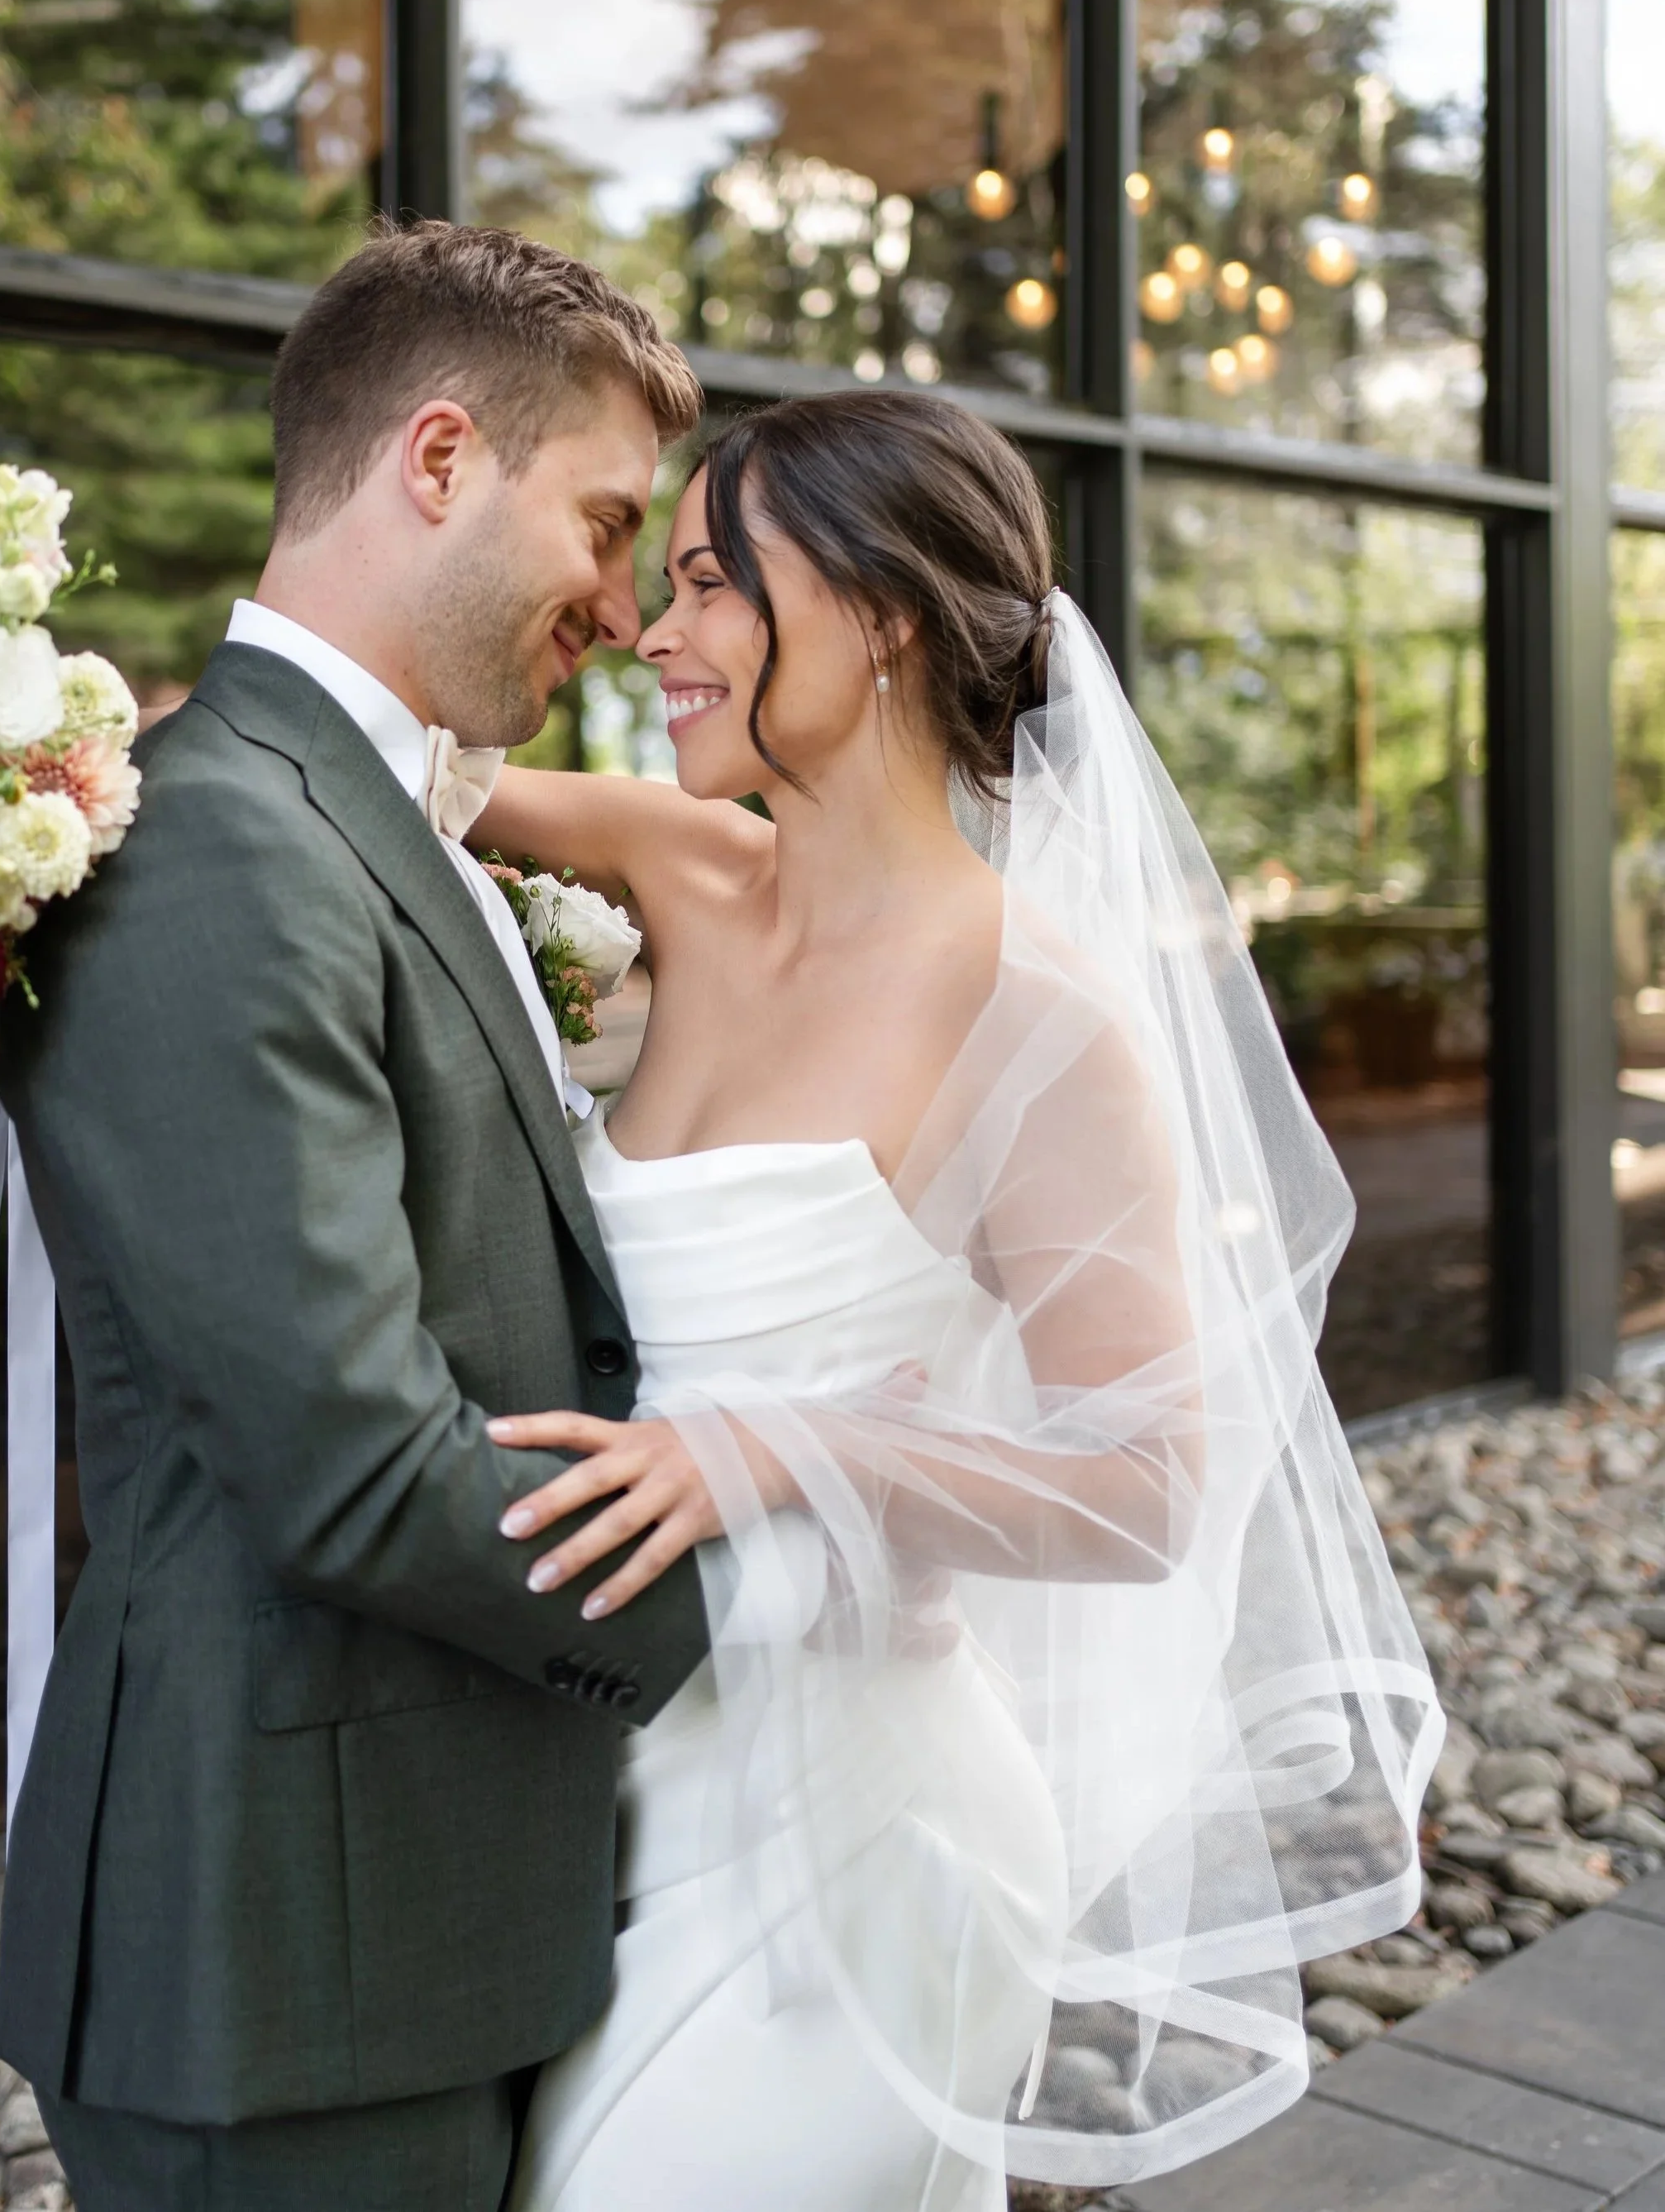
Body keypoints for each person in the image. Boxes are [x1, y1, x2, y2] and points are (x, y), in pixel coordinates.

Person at [462, 392, 1443, 2210]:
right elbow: (319, 761)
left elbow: (1151, 1481)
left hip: (853, 1845)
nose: (649, 634)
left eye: (705, 584)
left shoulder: (1037, 1014)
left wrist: (778, 1446)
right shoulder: (669, 872)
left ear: (882, 616)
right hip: (595, 1801)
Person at [0, 220, 715, 2212]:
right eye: (602, 519)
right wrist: (766, 1605)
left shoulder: (375, 817)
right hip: (282, 1962)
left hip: (411, 1907)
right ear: (436, 457)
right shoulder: (217, 849)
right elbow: (348, 1461)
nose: (621, 599)